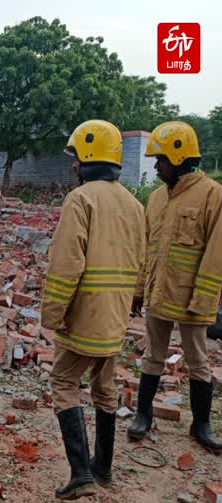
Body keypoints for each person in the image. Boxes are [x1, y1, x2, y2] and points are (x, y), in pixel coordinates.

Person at [42, 120, 145, 500]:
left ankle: (81, 472)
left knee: (63, 381)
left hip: (85, 316)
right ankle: (102, 466)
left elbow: (66, 265)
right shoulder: (134, 204)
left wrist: (53, 315)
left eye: (76, 157)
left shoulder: (80, 199)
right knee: (104, 387)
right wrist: (134, 299)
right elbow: (142, 261)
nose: (73, 165)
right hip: (116, 317)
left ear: (88, 158)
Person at [128, 121, 222, 453]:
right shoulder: (155, 199)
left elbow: (216, 254)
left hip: (193, 298)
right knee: (153, 355)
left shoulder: (213, 195)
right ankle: (143, 415)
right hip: (158, 293)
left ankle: (201, 425)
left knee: (198, 361)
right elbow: (146, 249)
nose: (156, 167)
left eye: (161, 160)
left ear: (179, 158)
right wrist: (139, 289)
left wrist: (205, 298)